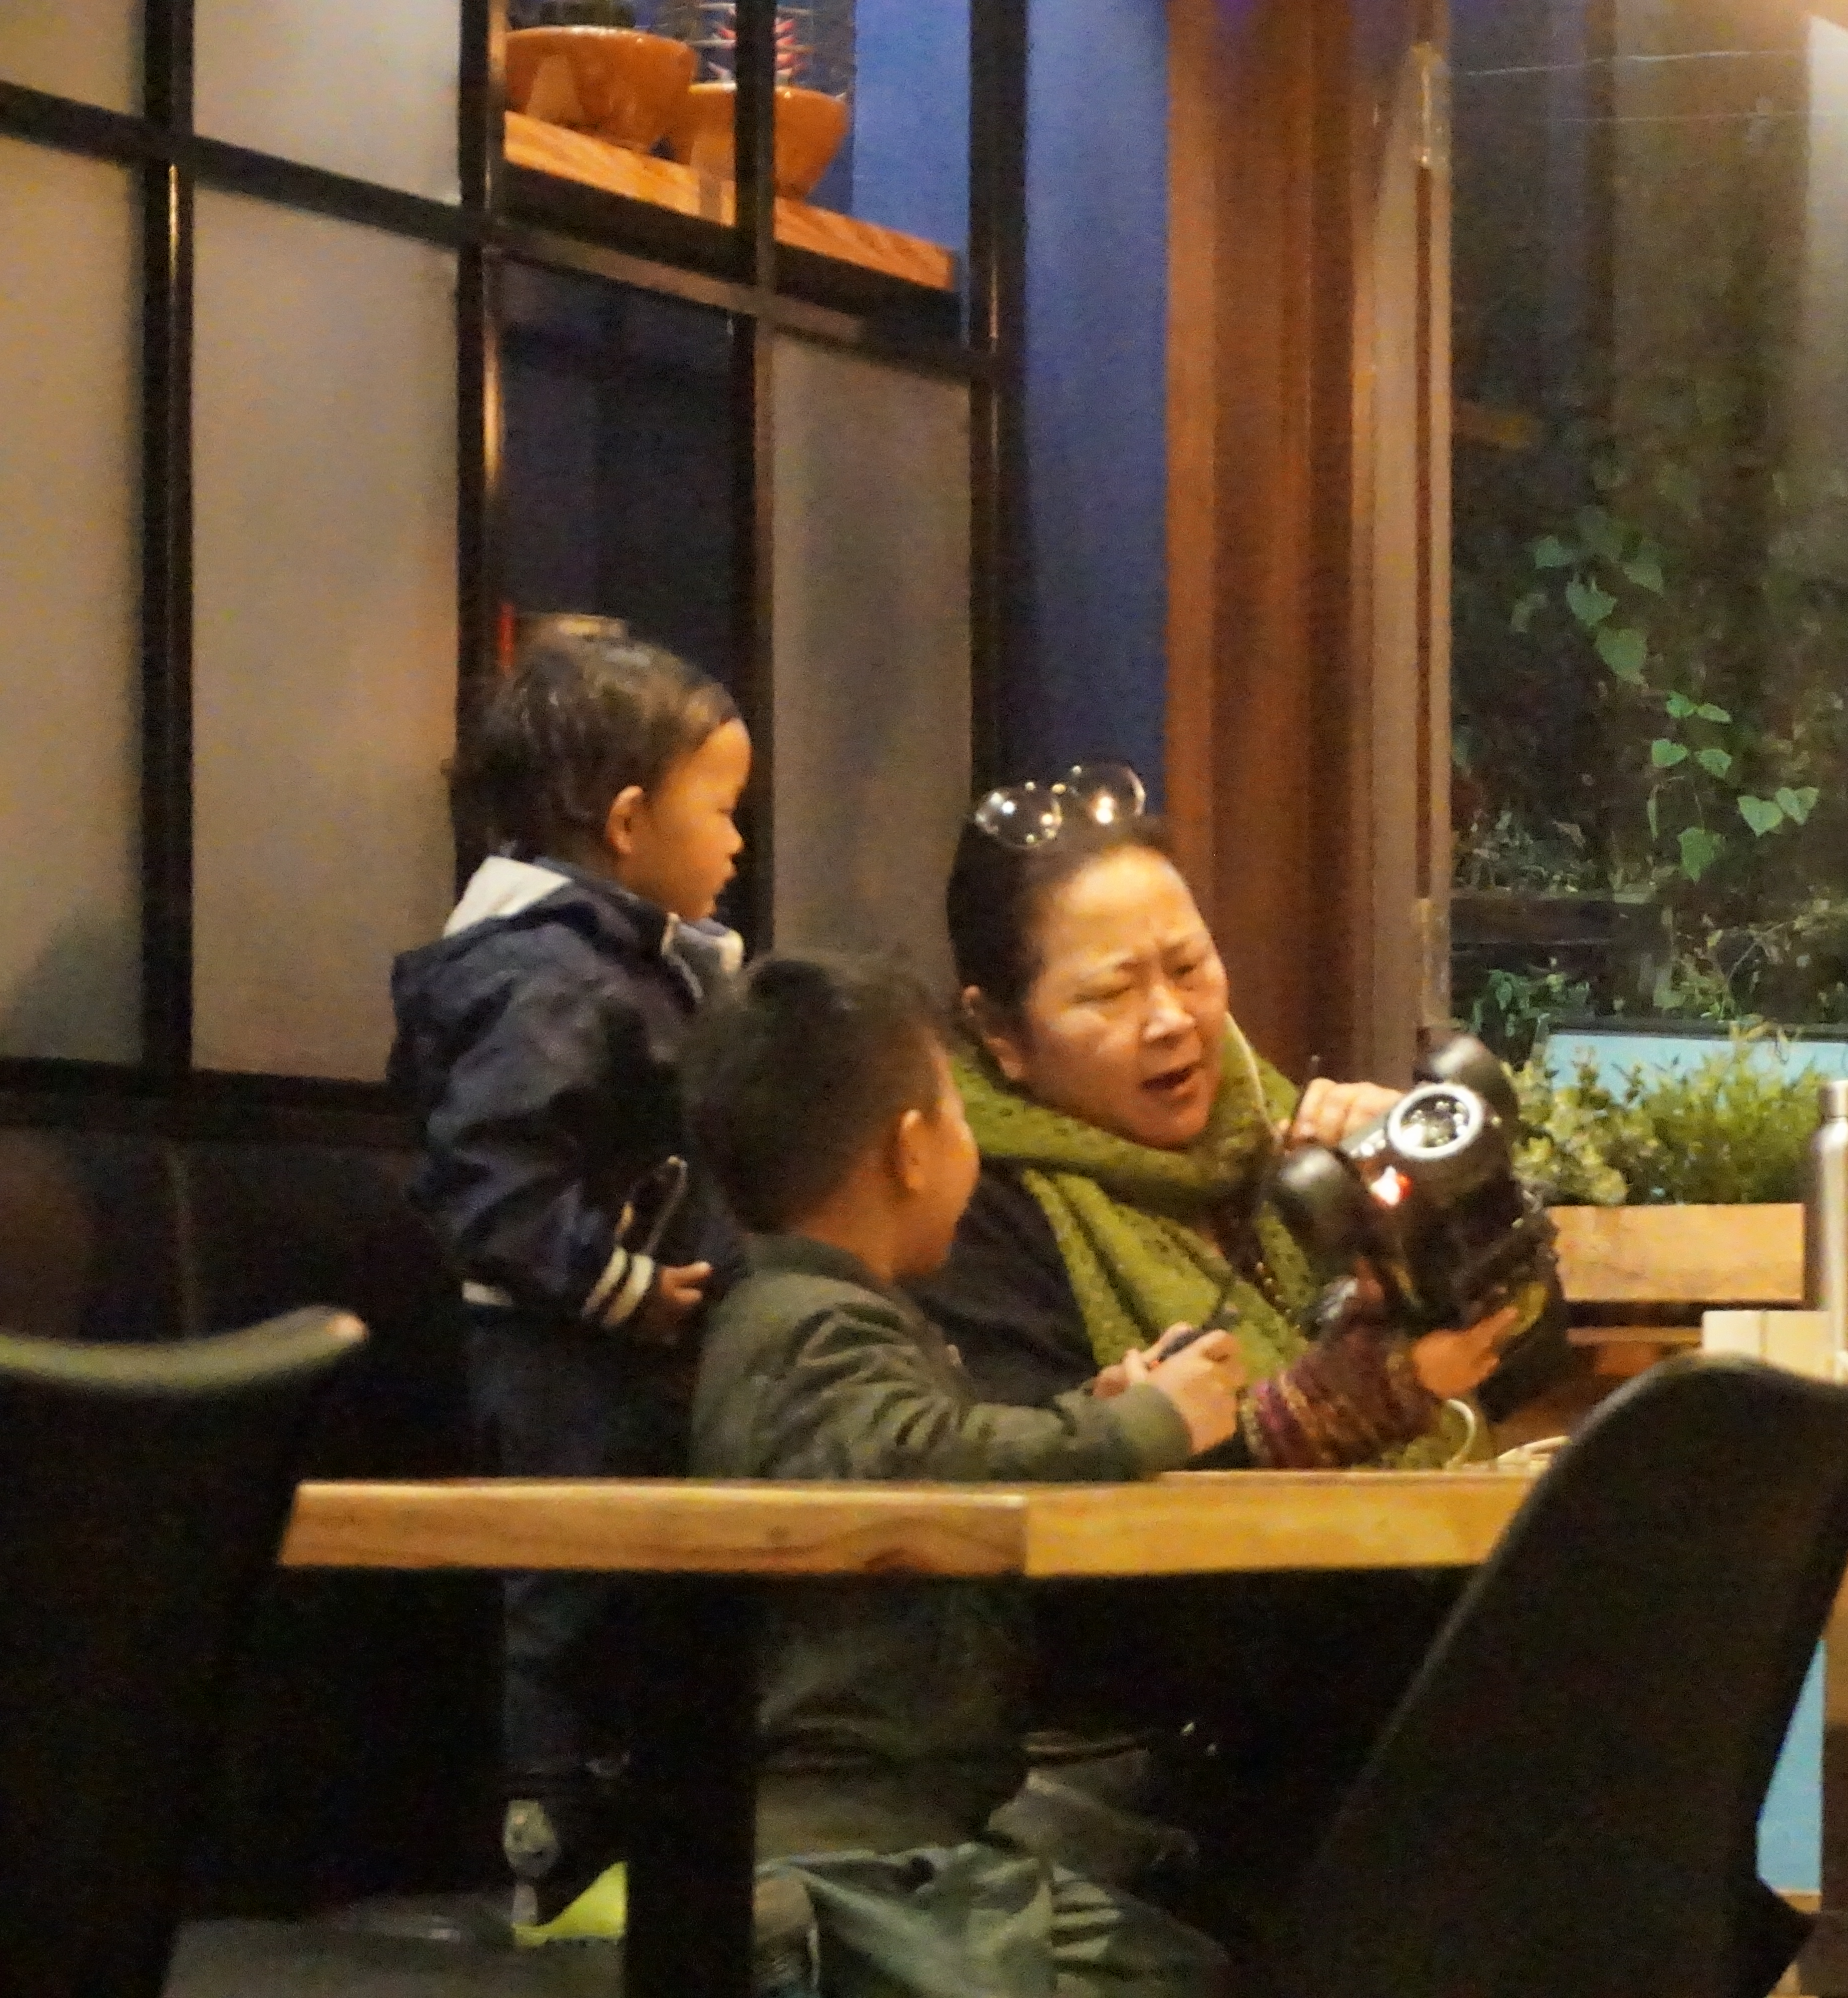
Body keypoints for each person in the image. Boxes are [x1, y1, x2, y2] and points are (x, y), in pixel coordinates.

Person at [904, 769, 1572, 1977]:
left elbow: (1524, 1355)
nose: (1172, 1017)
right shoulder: (971, 1208)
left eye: (1189, 966)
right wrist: (1320, 1411)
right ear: (1000, 1032)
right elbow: (1057, 1524)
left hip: (1355, 1692)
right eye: (1112, 991)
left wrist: (1443, 1207)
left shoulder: (1285, 1137)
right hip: (1165, 1752)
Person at [685, 951, 1240, 1998]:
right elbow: (924, 1464)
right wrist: (1131, 1427)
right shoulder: (810, 1326)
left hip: (903, 1829)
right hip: (848, 1859)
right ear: (910, 1150)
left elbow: (921, 1440)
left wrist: (1094, 1406)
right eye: (958, 1116)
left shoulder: (809, 1314)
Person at [387, 622, 754, 1941]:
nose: (738, 842)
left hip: (627, 1351)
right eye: (722, 810)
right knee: (570, 1597)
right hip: (560, 1357)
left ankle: (642, 1862)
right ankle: (552, 1863)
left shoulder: (626, 959)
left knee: (642, 1601)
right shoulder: (545, 973)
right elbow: (493, 1186)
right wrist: (619, 1286)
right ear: (629, 821)